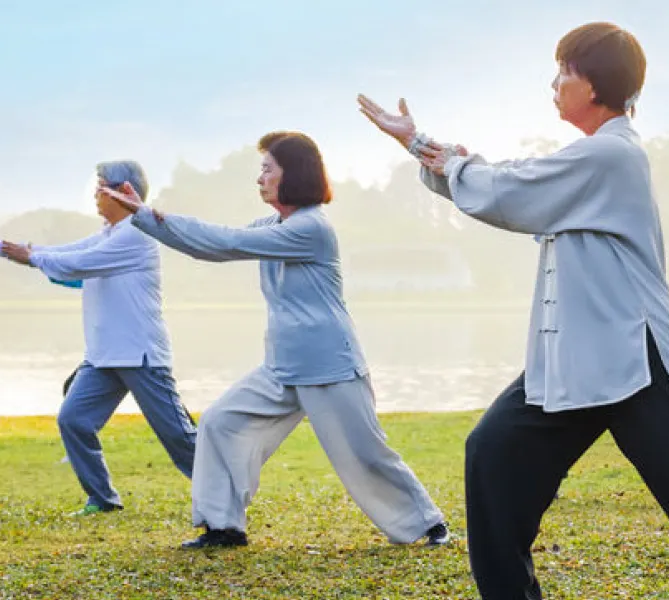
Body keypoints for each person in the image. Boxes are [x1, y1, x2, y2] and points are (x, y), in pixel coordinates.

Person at [357, 21, 669, 600]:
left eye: (565, 71)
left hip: (636, 356)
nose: (554, 82)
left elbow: (508, 190)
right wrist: (430, 148)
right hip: (571, 359)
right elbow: (506, 181)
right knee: (493, 454)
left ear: (596, 83)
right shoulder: (588, 158)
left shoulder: (611, 155)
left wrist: (419, 145)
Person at [103, 131, 449, 549]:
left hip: (329, 365)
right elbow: (214, 240)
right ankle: (223, 526)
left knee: (364, 452)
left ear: (294, 174)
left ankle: (428, 524)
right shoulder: (275, 224)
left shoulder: (311, 228)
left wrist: (144, 214)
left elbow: (225, 244)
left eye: (268, 168)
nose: (260, 178)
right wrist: (147, 215)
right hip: (282, 366)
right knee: (220, 422)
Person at [0, 160, 197, 517]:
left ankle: (225, 490)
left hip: (140, 354)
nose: (95, 195)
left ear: (123, 191)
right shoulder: (109, 233)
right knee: (74, 420)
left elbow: (74, 264)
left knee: (179, 439)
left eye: (101, 186)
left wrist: (17, 252)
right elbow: (61, 254)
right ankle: (102, 499)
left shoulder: (137, 233)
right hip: (103, 356)